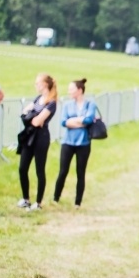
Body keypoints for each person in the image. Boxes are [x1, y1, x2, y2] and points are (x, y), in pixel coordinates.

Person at [53, 78, 98, 208]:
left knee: (80, 172)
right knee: (63, 171)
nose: (69, 91)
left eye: (71, 89)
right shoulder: (67, 105)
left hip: (83, 143)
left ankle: (78, 202)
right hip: (68, 142)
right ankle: (56, 197)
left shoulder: (90, 104)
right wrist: (80, 121)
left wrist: (72, 121)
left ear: (79, 90)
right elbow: (63, 122)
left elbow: (89, 120)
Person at [18, 73, 58, 211]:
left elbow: (37, 121)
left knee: (39, 170)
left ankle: (38, 202)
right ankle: (26, 199)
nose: (36, 85)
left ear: (45, 84)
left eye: (37, 83)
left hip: (41, 137)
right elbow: (24, 113)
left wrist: (31, 115)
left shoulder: (51, 103)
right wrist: (32, 116)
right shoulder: (37, 99)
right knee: (22, 168)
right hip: (30, 136)